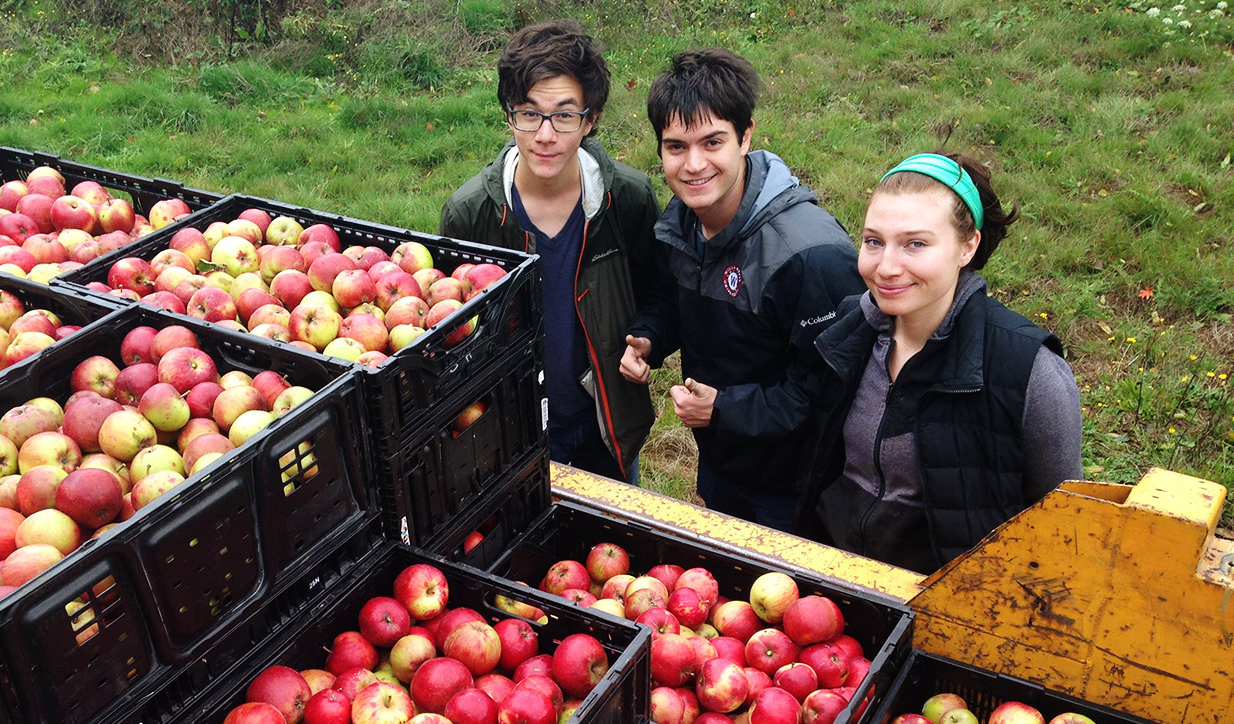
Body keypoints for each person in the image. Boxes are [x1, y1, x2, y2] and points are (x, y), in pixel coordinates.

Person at [710, 152, 1083, 573]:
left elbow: (1064, 526)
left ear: (968, 246)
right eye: (874, 241)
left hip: (949, 605)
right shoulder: (848, 331)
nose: (886, 267)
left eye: (915, 244)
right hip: (836, 581)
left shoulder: (1028, 371)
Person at [621, 49, 864, 529]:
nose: (693, 165)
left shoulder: (811, 255)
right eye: (676, 147)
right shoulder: (683, 222)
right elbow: (678, 298)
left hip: (797, 488)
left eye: (712, 142)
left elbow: (831, 392)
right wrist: (649, 336)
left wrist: (724, 410)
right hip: (724, 463)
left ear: (745, 135)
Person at [440, 20, 660, 483]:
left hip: (606, 425)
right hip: (512, 431)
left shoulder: (629, 200)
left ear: (591, 118)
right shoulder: (472, 215)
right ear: (509, 114)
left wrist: (647, 337)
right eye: (529, 113)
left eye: (564, 115)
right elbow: (450, 331)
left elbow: (658, 294)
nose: (544, 134)